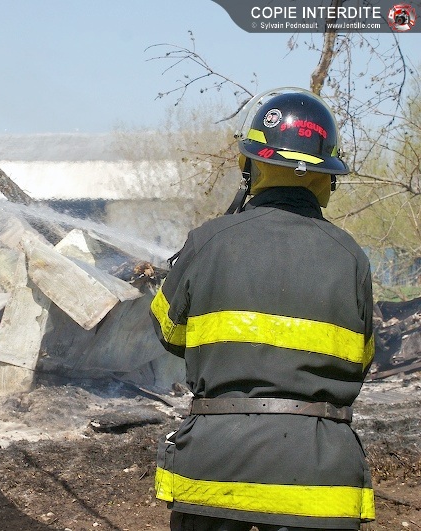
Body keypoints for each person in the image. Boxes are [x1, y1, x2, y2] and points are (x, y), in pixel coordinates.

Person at [150, 87, 375, 531]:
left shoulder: (209, 240)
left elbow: (168, 332)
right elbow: (360, 360)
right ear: (325, 177)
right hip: (320, 477)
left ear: (250, 166)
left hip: (215, 466)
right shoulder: (351, 258)